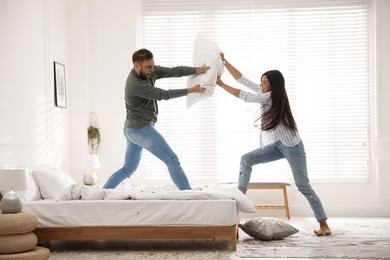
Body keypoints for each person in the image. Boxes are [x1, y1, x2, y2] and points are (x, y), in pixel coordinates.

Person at [216, 53, 332, 236]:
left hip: (293, 147)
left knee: (303, 186)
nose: (260, 85)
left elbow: (244, 95)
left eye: (264, 82)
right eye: (261, 82)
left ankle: (324, 224)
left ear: (273, 85)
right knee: (246, 159)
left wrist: (221, 84)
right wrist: (225, 62)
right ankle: (241, 196)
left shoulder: (269, 97)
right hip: (278, 145)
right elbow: (243, 80)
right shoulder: (265, 92)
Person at [103, 48, 208, 190]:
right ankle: (188, 195)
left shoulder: (148, 71)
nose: (152, 70)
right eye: (149, 67)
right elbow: (163, 95)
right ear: (137, 66)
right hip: (140, 129)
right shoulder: (136, 84)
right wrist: (191, 90)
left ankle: (102, 194)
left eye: (153, 65)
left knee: (128, 169)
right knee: (172, 160)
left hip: (131, 129)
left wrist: (198, 70)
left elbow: (175, 71)